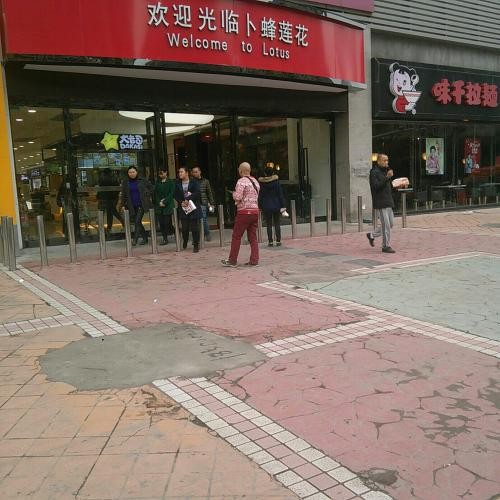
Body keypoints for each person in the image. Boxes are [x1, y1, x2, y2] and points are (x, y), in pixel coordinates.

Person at [221, 162, 260, 267]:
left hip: (244, 212)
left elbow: (238, 197)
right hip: (255, 211)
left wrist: (233, 193)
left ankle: (232, 260)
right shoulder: (256, 182)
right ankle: (254, 260)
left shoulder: (241, 181)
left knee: (236, 236)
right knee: (253, 237)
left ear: (241, 170)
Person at [367, 153, 396, 253]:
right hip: (380, 202)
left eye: (387, 160)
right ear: (378, 161)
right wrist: (387, 177)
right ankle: (385, 246)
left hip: (388, 201)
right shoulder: (374, 172)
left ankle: (372, 235)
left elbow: (388, 186)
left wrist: (398, 185)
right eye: (384, 160)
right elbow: (376, 186)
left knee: (390, 224)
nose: (386, 162)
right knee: (386, 225)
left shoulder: (386, 171)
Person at [120, 166, 153, 246]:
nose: (131, 174)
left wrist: (147, 194)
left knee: (137, 221)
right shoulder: (125, 182)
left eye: (133, 172)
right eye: (130, 172)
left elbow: (151, 188)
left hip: (141, 204)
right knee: (138, 222)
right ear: (128, 173)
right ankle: (145, 238)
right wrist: (123, 204)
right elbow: (124, 194)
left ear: (136, 172)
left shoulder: (142, 180)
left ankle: (135, 239)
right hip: (131, 205)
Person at [174, 167, 202, 253]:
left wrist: (188, 198)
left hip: (193, 206)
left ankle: (196, 245)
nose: (180, 174)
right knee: (185, 228)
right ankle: (185, 240)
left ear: (186, 173)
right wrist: (181, 202)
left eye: (181, 172)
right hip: (183, 207)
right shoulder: (177, 183)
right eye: (179, 172)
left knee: (194, 227)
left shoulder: (194, 182)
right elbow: (175, 194)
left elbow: (197, 192)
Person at [258, 163, 286, 247]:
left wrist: (260, 205)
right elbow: (280, 195)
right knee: (277, 222)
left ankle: (270, 241)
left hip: (266, 205)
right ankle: (278, 240)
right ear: (273, 173)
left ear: (265, 173)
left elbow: (260, 195)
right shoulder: (276, 182)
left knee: (269, 224)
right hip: (276, 204)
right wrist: (283, 205)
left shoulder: (262, 183)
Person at [191, 166, 215, 241]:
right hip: (194, 203)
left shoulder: (205, 181)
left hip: (203, 203)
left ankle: (207, 233)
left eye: (196, 172)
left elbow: (209, 192)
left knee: (203, 219)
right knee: (196, 220)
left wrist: (211, 203)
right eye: (193, 172)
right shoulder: (191, 182)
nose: (195, 173)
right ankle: (199, 235)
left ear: (200, 172)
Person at [97, 169, 123, 234]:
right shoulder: (114, 178)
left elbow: (101, 187)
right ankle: (110, 227)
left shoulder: (103, 178)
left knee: (108, 211)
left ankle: (108, 227)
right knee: (111, 212)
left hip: (106, 198)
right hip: (113, 198)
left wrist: (98, 197)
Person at [154, 168, 175, 245]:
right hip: (159, 206)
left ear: (166, 172)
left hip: (168, 205)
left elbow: (171, 193)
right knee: (161, 223)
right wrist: (159, 202)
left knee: (167, 223)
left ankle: (175, 232)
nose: (161, 175)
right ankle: (165, 239)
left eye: (162, 173)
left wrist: (164, 201)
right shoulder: (158, 182)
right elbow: (155, 193)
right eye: (160, 174)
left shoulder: (170, 182)